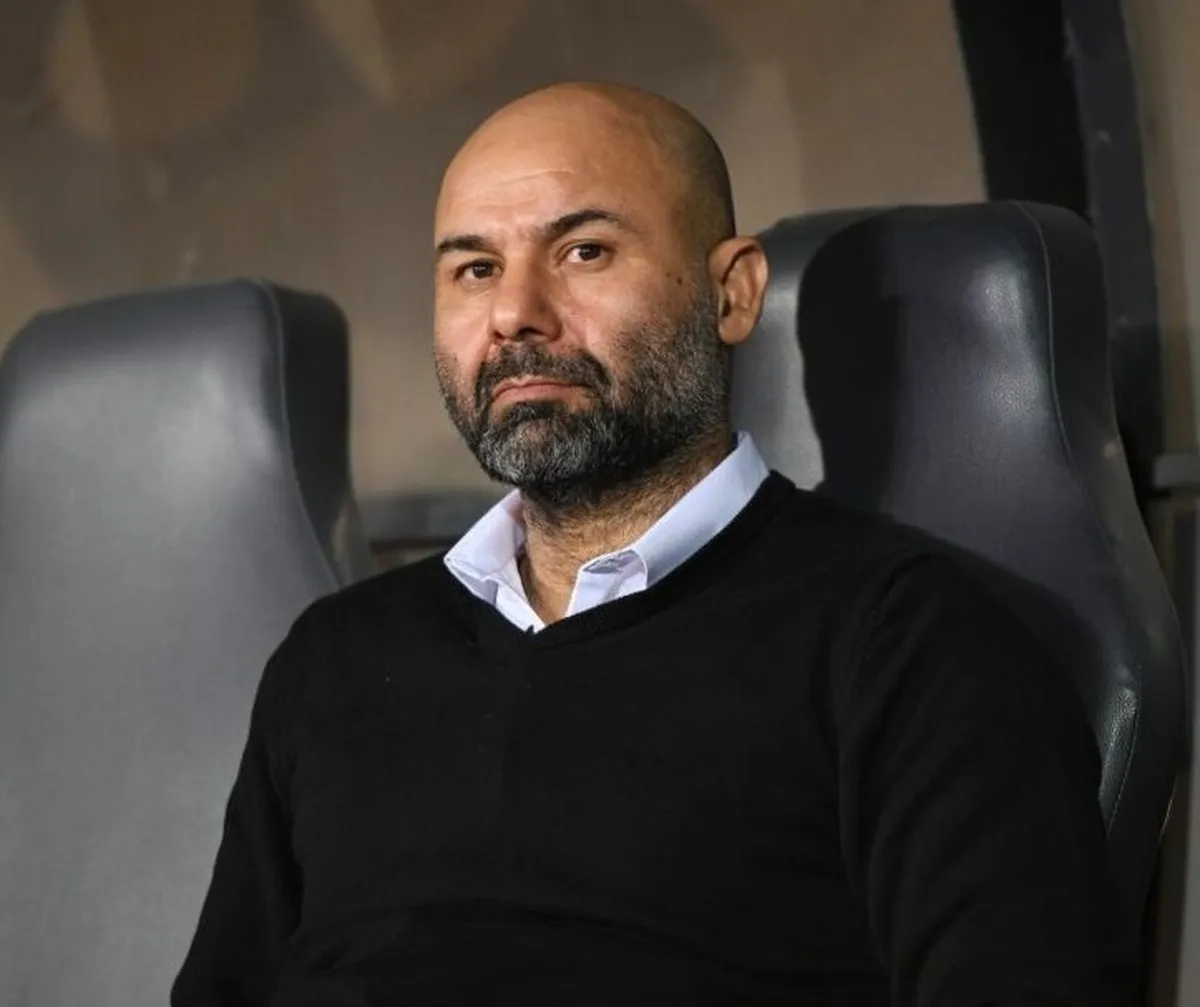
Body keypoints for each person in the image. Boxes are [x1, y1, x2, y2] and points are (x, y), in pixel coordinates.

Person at [172, 82, 1140, 1006]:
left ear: (732, 293)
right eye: (474, 268)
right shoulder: (335, 656)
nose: (514, 312)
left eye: (583, 251)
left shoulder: (905, 642)